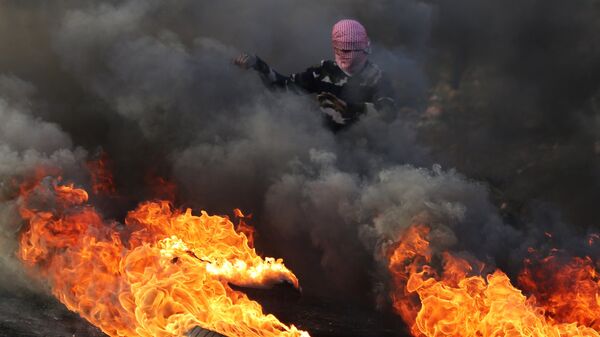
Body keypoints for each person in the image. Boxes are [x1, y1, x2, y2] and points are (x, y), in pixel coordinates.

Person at [234, 19, 395, 131]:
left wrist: (350, 109)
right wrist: (259, 65)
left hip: (364, 148)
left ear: (364, 46)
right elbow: (282, 88)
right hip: (326, 147)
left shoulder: (376, 77)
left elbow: (388, 112)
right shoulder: (323, 73)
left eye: (353, 47)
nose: (348, 53)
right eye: (344, 48)